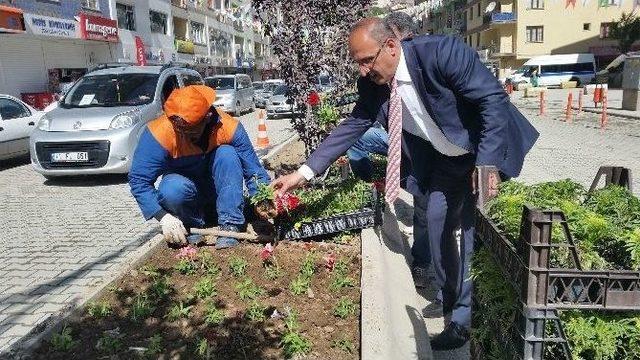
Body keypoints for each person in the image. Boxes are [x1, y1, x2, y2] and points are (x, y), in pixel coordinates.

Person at [272, 18, 539, 350]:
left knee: (472, 237)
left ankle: (463, 321)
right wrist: (303, 173)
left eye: (366, 59)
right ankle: (454, 299)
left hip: (480, 152)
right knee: (439, 226)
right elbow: (355, 124)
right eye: (357, 62)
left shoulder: (443, 53)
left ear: (391, 46)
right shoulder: (374, 85)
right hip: (444, 161)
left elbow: (493, 101)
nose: (362, 70)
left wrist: (487, 164)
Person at [347, 12, 432, 288]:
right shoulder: (376, 78)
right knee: (422, 201)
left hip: (434, 151)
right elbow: (356, 123)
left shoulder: (428, 63)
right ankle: (423, 261)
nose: (365, 69)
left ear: (398, 42)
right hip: (399, 141)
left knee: (427, 205)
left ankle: (427, 263)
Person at [129, 85, 271, 249]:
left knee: (227, 154)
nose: (182, 133)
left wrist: (264, 201)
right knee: (171, 189)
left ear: (207, 116)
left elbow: (253, 170)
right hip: (189, 200)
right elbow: (139, 180)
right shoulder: (159, 133)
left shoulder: (229, 127)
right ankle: (192, 225)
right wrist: (163, 217)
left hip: (221, 195)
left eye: (189, 129)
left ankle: (230, 222)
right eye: (178, 128)